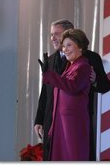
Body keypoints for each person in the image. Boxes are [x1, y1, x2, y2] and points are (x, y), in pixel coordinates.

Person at [34, 19, 110, 160]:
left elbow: (104, 85)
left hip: (75, 121)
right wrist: (39, 119)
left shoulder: (89, 59)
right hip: (52, 120)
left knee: (75, 155)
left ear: (70, 33)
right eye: (51, 35)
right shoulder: (50, 60)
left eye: (57, 34)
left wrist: (94, 81)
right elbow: (45, 93)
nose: (53, 38)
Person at [38, 28, 92, 160]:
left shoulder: (83, 66)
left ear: (80, 46)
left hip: (73, 125)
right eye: (63, 46)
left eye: (69, 45)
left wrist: (50, 75)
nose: (65, 49)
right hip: (62, 124)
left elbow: (73, 86)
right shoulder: (70, 67)